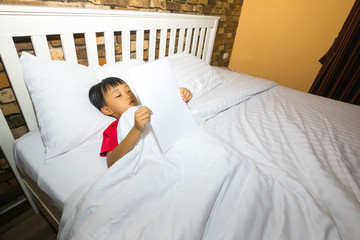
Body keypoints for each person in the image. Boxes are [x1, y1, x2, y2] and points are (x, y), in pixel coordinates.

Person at [89, 77, 192, 168]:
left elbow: (172, 119)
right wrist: (136, 129)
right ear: (107, 110)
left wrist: (180, 97)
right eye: (118, 95)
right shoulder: (113, 129)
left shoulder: (148, 106)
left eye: (128, 90)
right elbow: (112, 162)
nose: (128, 95)